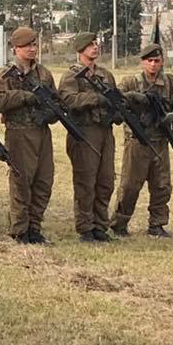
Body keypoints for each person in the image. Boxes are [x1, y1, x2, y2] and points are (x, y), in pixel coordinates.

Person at [110, 43, 173, 238]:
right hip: (137, 142)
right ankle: (119, 224)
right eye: (150, 61)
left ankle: (157, 224)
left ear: (162, 62)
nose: (154, 64)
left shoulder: (169, 83)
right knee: (130, 185)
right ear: (142, 62)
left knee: (162, 185)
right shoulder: (131, 82)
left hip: (159, 142)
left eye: (157, 61)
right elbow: (116, 100)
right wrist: (134, 99)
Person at [0, 27, 56, 244]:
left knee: (44, 181)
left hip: (42, 131)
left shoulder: (43, 73)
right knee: (21, 182)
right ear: (16, 48)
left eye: (34, 45)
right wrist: (23, 97)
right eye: (27, 45)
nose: (32, 49)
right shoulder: (6, 74)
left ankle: (35, 227)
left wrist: (50, 114)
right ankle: (20, 230)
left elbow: (55, 100)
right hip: (19, 132)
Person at [58, 32, 118, 243]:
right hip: (84, 132)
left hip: (105, 131)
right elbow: (67, 100)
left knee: (106, 180)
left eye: (96, 44)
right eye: (90, 45)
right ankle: (85, 227)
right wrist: (96, 98)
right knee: (86, 181)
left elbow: (115, 99)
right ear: (80, 50)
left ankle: (101, 226)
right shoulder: (71, 76)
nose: (95, 48)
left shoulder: (105, 75)